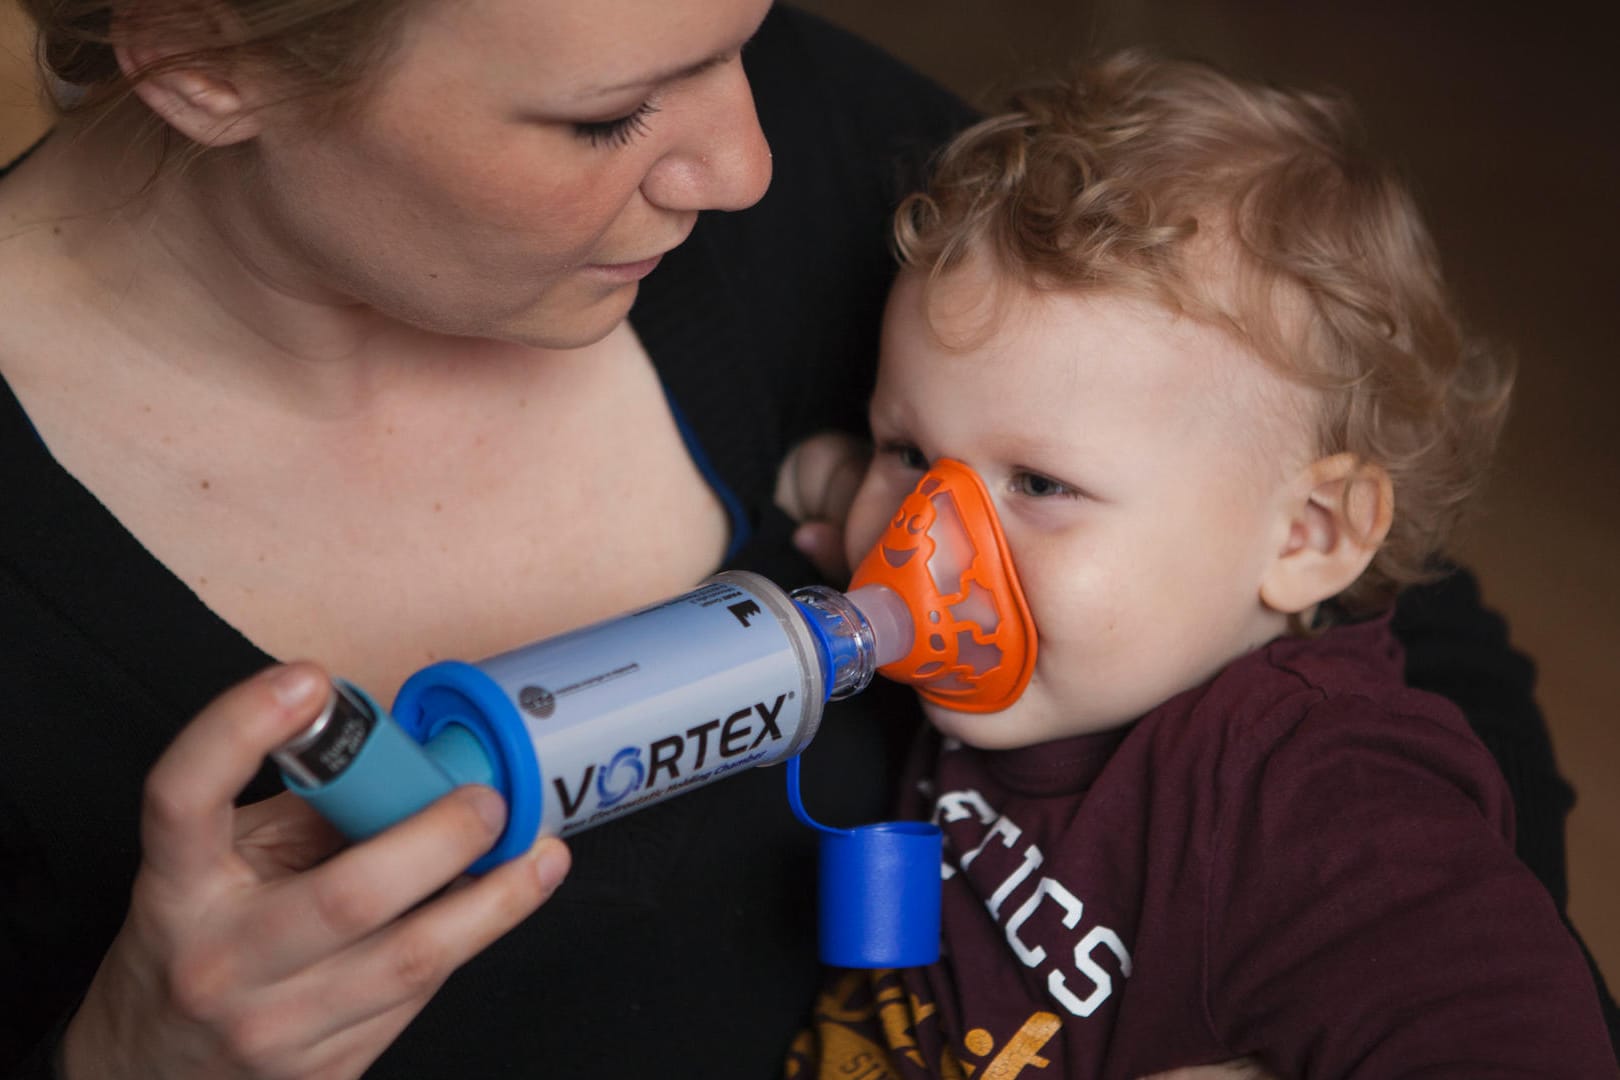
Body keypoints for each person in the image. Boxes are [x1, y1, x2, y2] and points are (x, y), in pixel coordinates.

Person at [0, 2, 1605, 1077]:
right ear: (206, 60)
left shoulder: (1307, 791)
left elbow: (1409, 651)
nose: (749, 167)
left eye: (748, 32)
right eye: (607, 116)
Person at [780, 52, 1619, 1078]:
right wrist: (836, 482)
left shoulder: (1322, 802)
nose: (923, 545)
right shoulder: (1056, 643)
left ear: (1308, 534)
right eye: (908, 453)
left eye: (1039, 486)